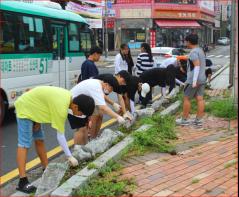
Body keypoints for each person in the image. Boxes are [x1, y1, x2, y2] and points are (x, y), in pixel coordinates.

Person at [14, 86, 95, 193]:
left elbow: (44, 99)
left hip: (35, 109)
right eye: (82, 113)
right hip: (25, 108)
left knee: (39, 139)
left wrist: (37, 119)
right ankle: (22, 181)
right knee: (24, 144)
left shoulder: (69, 98)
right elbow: (60, 136)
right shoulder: (62, 106)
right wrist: (69, 156)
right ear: (75, 107)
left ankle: (46, 169)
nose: (81, 115)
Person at [69, 78, 126, 145]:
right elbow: (103, 108)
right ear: (106, 84)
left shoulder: (99, 85)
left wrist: (113, 104)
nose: (110, 92)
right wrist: (118, 117)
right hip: (74, 105)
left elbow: (101, 99)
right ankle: (78, 151)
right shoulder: (96, 87)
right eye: (111, 89)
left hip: (81, 105)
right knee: (80, 129)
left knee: (85, 128)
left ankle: (87, 145)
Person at [176, 34, 206, 126]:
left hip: (194, 79)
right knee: (200, 99)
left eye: (186, 41)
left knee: (186, 98)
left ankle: (184, 120)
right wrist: (183, 57)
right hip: (202, 78)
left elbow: (196, 66)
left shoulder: (193, 52)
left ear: (189, 42)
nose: (185, 43)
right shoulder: (200, 50)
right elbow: (194, 60)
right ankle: (199, 119)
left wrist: (194, 81)